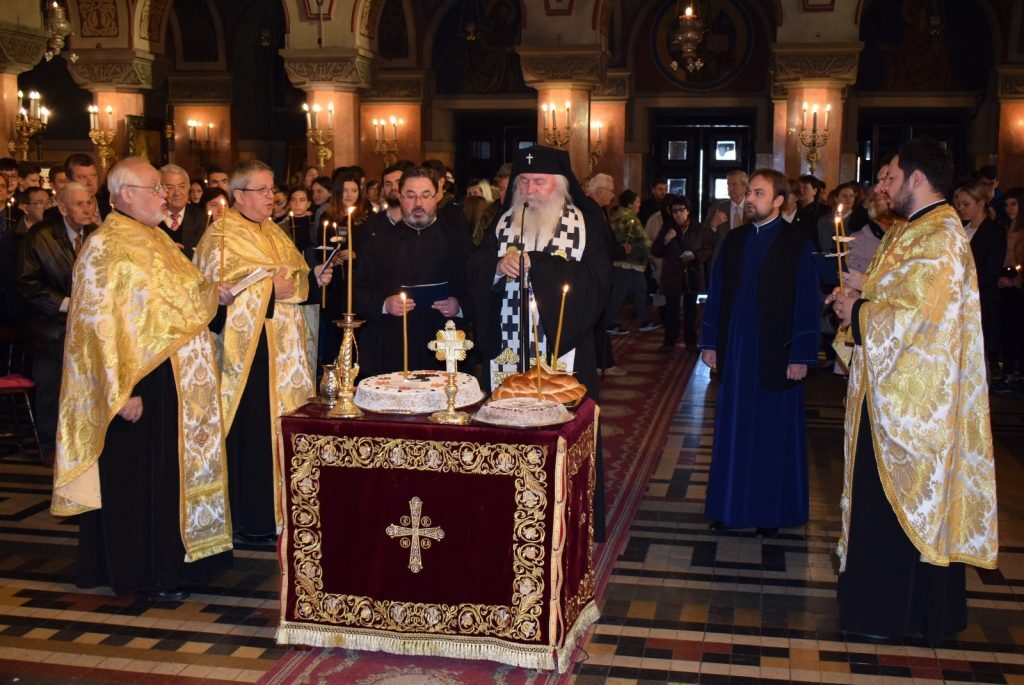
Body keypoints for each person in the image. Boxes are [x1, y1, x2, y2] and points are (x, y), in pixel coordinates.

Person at [829, 138, 998, 645]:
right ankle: (873, 607)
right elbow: (900, 294)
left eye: (891, 177)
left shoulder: (941, 236)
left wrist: (858, 312)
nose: (882, 186)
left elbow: (921, 319)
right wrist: (859, 291)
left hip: (916, 408)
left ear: (918, 179)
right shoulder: (912, 229)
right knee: (873, 501)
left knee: (896, 505)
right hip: (887, 394)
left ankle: (894, 616)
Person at [51, 157, 233, 601]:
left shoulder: (155, 237)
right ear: (126, 193)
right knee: (137, 482)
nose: (164, 196)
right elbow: (96, 327)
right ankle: (141, 573)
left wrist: (215, 293)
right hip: (136, 386)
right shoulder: (105, 246)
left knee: (165, 479)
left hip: (172, 381)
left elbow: (181, 296)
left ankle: (171, 564)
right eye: (155, 188)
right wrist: (122, 392)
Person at [466, 144, 611, 539]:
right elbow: (475, 265)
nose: (529, 189)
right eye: (524, 181)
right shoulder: (504, 222)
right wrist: (498, 267)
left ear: (559, 185)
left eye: (539, 182)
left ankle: (568, 517)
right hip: (508, 348)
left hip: (565, 347)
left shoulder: (586, 223)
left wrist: (540, 266)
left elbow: (598, 283)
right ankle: (502, 512)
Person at [193, 160, 333, 544]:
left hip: (285, 355)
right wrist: (271, 289)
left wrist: (312, 279)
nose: (272, 196)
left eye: (273, 189)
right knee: (254, 433)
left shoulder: (272, 230)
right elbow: (212, 297)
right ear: (239, 195)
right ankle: (255, 518)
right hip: (248, 358)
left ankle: (287, 512)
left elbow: (294, 279)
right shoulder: (220, 237)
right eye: (263, 190)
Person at [699, 169, 819, 536]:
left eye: (759, 193)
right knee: (734, 429)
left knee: (771, 432)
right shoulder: (734, 240)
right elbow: (717, 293)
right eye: (749, 191)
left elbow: (808, 301)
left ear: (779, 200)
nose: (750, 198)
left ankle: (771, 513)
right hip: (736, 352)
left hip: (776, 352)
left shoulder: (797, 242)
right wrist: (710, 343)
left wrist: (801, 354)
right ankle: (730, 508)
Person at [355, 166, 471, 375]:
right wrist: (384, 304)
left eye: (425, 196)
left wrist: (459, 305)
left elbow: (477, 290)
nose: (418, 203)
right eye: (410, 196)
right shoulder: (379, 243)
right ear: (399, 197)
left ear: (437, 197)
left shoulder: (459, 242)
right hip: (392, 346)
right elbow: (358, 292)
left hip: (444, 346)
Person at [16, 183, 97, 465]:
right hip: (51, 330)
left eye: (89, 202)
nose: (87, 209)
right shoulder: (40, 236)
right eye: (79, 204)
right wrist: (66, 304)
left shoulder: (97, 235)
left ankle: (85, 442)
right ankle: (51, 445)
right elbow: (27, 284)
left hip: (89, 328)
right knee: (52, 390)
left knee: (86, 387)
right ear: (62, 207)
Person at [954, 177, 1005, 380]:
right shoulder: (962, 229)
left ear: (981, 203)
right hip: (958, 298)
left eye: (966, 204)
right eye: (959, 204)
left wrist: (962, 285)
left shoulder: (994, 231)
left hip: (980, 300)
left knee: (977, 359)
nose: (961, 208)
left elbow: (990, 273)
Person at [652, 195, 712, 351]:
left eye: (681, 210)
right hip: (672, 274)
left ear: (688, 211)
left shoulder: (698, 227)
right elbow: (656, 250)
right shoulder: (667, 227)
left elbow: (707, 250)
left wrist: (694, 256)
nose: (678, 214)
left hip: (692, 273)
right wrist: (666, 240)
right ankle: (669, 341)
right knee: (671, 310)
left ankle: (691, 341)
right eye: (674, 211)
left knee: (691, 310)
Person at [606, 189, 658, 334]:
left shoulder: (618, 216)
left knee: (640, 291)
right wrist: (656, 248)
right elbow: (641, 239)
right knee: (619, 295)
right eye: (637, 202)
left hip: (631, 263)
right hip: (628, 262)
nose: (639, 205)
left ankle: (644, 320)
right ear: (630, 204)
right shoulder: (630, 219)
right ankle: (610, 323)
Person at [994, 186, 1024, 393]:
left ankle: (1016, 375)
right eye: (1006, 205)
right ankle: (1009, 374)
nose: (1009, 209)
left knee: (1016, 331)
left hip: (1016, 284)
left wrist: (1015, 280)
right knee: (1006, 331)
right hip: (1004, 281)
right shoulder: (1005, 227)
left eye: (1014, 204)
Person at [158, 164, 207, 258]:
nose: (177, 193)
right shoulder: (150, 219)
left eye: (182, 186)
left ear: (189, 188)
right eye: (170, 187)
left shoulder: (201, 218)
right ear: (159, 189)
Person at [704, 170, 749, 270]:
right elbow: (704, 240)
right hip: (722, 264)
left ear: (745, 187)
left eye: (734, 184)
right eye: (728, 184)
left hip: (747, 263)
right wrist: (713, 226)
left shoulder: (753, 210)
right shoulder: (716, 209)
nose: (730, 188)